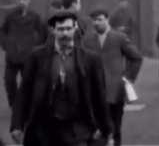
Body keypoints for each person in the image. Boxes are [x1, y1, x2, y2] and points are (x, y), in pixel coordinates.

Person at [10, 10, 111, 146]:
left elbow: (99, 95)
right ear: (53, 30)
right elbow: (24, 92)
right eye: (61, 29)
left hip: (77, 128)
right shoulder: (37, 57)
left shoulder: (90, 59)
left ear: (75, 28)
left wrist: (106, 129)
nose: (65, 33)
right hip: (44, 128)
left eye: (69, 28)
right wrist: (17, 125)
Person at [83, 9, 143, 146]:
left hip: (115, 91)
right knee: (96, 128)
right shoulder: (87, 41)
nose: (96, 23)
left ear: (107, 19)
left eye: (99, 19)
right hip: (94, 92)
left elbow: (136, 58)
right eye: (94, 20)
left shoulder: (119, 38)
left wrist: (127, 78)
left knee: (115, 127)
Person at [1, 0, 46, 107]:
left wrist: (37, 47)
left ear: (29, 1)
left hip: (28, 54)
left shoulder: (35, 16)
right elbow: (2, 31)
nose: (22, 2)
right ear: (16, 1)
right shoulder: (10, 16)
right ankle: (14, 104)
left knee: (28, 81)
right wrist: (6, 45)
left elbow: (42, 32)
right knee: (9, 81)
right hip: (12, 55)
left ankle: (25, 105)